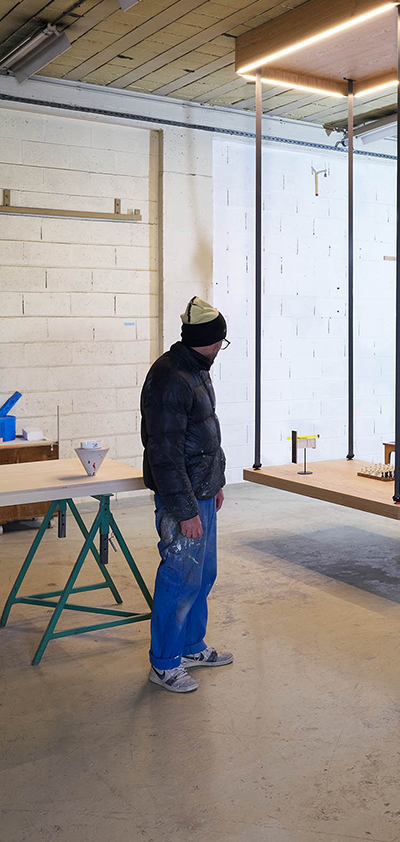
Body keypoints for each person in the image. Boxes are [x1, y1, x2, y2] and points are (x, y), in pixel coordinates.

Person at [141, 296, 233, 693]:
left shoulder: (196, 368)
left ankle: (192, 647)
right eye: (219, 342)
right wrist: (184, 510)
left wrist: (217, 481)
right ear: (206, 340)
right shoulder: (170, 378)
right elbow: (164, 452)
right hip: (184, 501)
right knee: (179, 578)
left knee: (202, 575)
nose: (219, 349)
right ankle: (164, 664)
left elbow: (205, 432)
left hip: (202, 492)